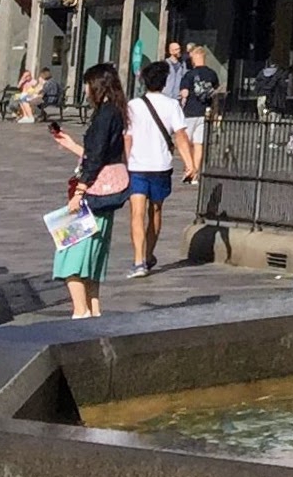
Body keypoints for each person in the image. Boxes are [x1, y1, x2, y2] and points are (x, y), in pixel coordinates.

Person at [54, 61, 133, 318]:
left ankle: (80, 311)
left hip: (93, 193)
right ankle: (93, 309)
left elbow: (96, 157)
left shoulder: (104, 114)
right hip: (109, 191)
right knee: (95, 254)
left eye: (88, 84)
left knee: (69, 253)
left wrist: (79, 191)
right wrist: (73, 146)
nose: (86, 90)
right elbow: (102, 154)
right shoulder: (117, 112)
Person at [122, 60, 196, 279]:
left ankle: (138, 261)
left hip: (137, 166)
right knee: (155, 210)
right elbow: (181, 136)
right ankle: (148, 254)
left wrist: (125, 164)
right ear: (164, 83)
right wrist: (190, 163)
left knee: (136, 213)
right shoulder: (172, 105)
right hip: (161, 165)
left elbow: (127, 138)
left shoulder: (133, 106)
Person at [180, 43, 221, 178]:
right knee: (199, 143)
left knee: (186, 143)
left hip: (190, 112)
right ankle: (195, 172)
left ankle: (189, 168)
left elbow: (184, 93)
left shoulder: (189, 75)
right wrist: (215, 113)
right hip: (205, 112)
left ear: (194, 58)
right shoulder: (212, 74)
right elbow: (215, 94)